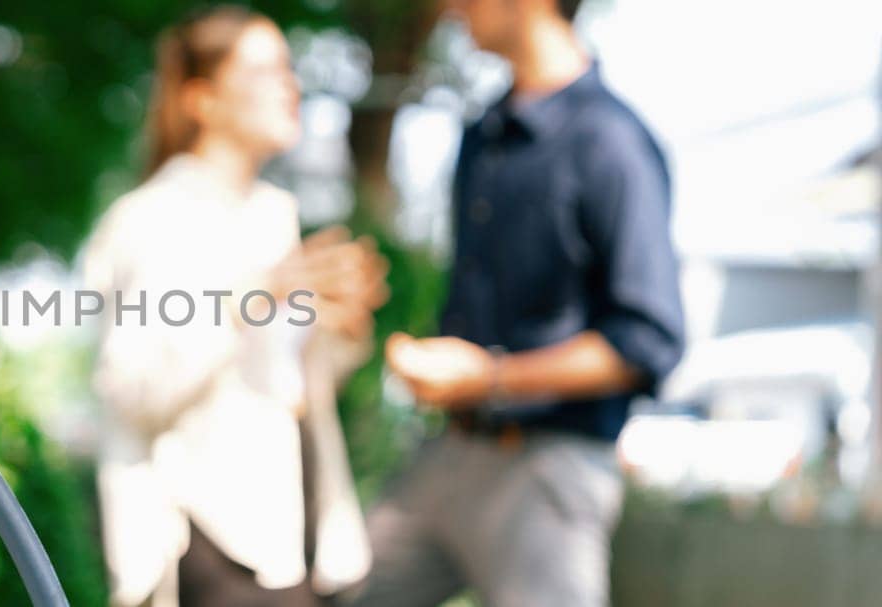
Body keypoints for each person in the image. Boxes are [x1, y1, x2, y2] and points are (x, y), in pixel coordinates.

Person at [352, 0, 685, 605]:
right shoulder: (485, 135)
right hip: (450, 449)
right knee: (346, 589)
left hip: (547, 469)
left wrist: (490, 377)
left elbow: (648, 339)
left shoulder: (611, 142)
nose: (453, 10)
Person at [81, 6, 389, 606]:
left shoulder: (275, 213)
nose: (290, 86)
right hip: (207, 545)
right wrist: (252, 298)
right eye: (265, 70)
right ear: (203, 99)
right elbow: (133, 387)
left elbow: (281, 384)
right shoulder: (151, 218)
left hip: (291, 538)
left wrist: (343, 328)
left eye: (289, 68)